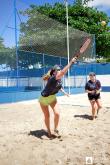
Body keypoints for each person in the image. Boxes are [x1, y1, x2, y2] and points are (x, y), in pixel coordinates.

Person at [39, 57, 77, 138]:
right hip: (44, 99)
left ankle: (55, 129)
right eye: (58, 70)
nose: (60, 70)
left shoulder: (59, 79)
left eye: (60, 69)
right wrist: (71, 62)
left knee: (57, 113)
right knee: (47, 116)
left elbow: (59, 86)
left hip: (52, 98)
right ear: (54, 72)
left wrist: (64, 92)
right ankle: (49, 131)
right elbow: (63, 72)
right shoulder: (52, 78)